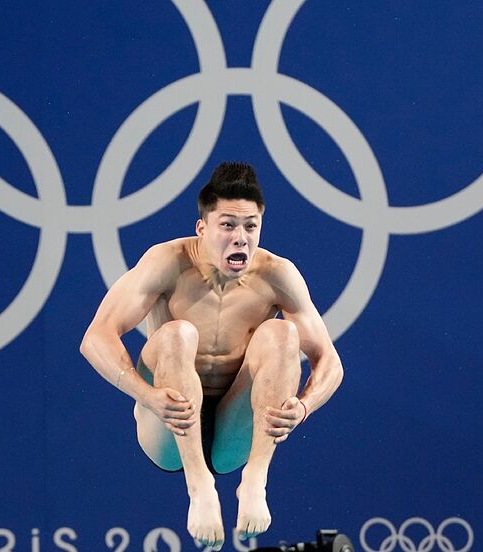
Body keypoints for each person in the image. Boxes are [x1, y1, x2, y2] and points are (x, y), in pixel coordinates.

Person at [79, 162, 343, 551]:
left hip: (234, 431)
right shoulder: (166, 262)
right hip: (167, 427)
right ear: (202, 228)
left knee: (283, 334)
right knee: (177, 334)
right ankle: (199, 486)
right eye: (227, 226)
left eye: (250, 227)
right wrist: (146, 395)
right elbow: (95, 338)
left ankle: (255, 479)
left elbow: (330, 363)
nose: (240, 239)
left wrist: (303, 408)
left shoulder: (277, 275)